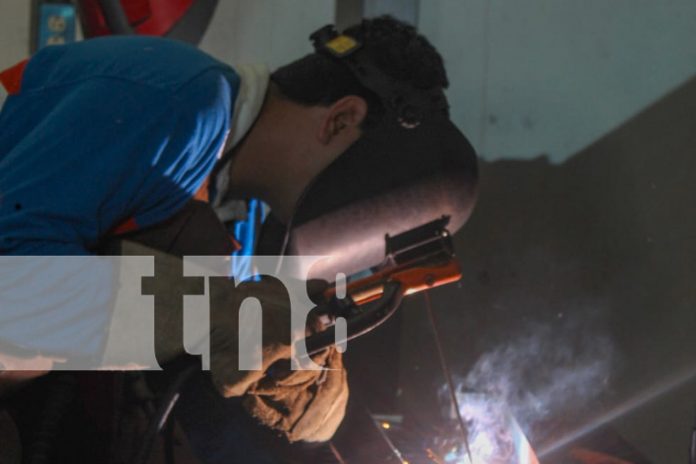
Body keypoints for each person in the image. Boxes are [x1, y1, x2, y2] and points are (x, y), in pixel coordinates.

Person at [0, 15, 476, 452]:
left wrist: (286, 367)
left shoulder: (229, 201)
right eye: (375, 188)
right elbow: (11, 293)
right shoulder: (186, 103)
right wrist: (205, 316)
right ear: (340, 119)